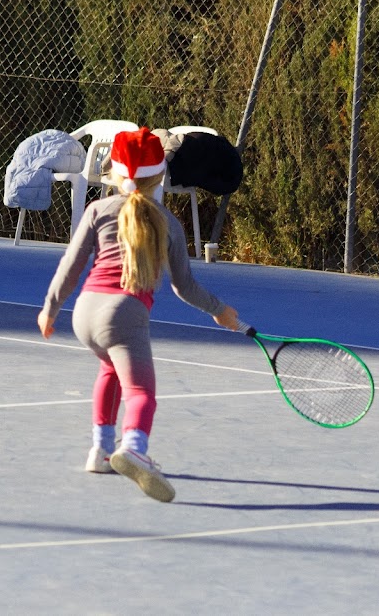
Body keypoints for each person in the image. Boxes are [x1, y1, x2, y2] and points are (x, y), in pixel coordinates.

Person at [37, 127, 239, 502]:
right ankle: (134, 448)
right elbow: (185, 287)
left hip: (84, 313)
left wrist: (50, 309)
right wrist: (220, 310)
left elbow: (71, 266)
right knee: (142, 393)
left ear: (113, 173)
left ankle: (101, 450)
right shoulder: (168, 223)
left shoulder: (96, 210)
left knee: (110, 369)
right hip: (124, 315)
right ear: (161, 175)